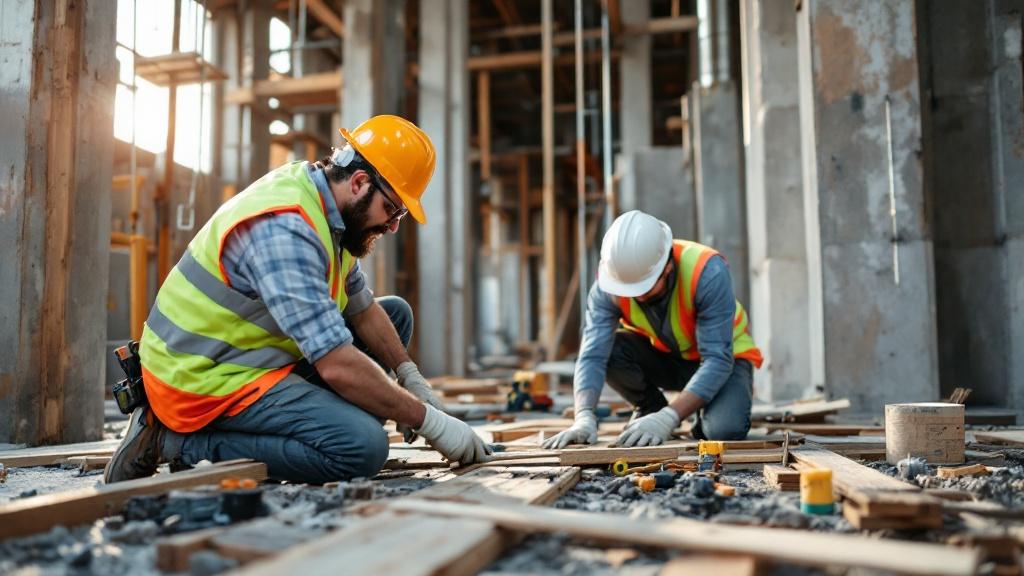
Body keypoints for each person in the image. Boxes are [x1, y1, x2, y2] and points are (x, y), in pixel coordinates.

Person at [104, 115, 490, 485]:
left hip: (252, 356)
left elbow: (362, 307)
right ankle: (171, 442)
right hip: (201, 379)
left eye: (400, 214)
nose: (391, 225)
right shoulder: (287, 229)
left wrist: (410, 378)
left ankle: (348, 413)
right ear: (358, 182)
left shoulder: (331, 211)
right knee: (362, 447)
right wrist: (429, 421)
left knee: (395, 316)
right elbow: (336, 364)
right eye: (391, 209)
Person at [543, 210, 763, 449]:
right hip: (668, 359)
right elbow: (592, 355)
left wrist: (670, 418)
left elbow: (717, 360)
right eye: (628, 290)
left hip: (725, 361)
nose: (636, 296)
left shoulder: (707, 272)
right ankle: (651, 408)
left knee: (723, 431)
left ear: (667, 267)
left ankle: (687, 411)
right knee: (611, 351)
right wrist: (583, 417)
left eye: (644, 288)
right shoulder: (610, 286)